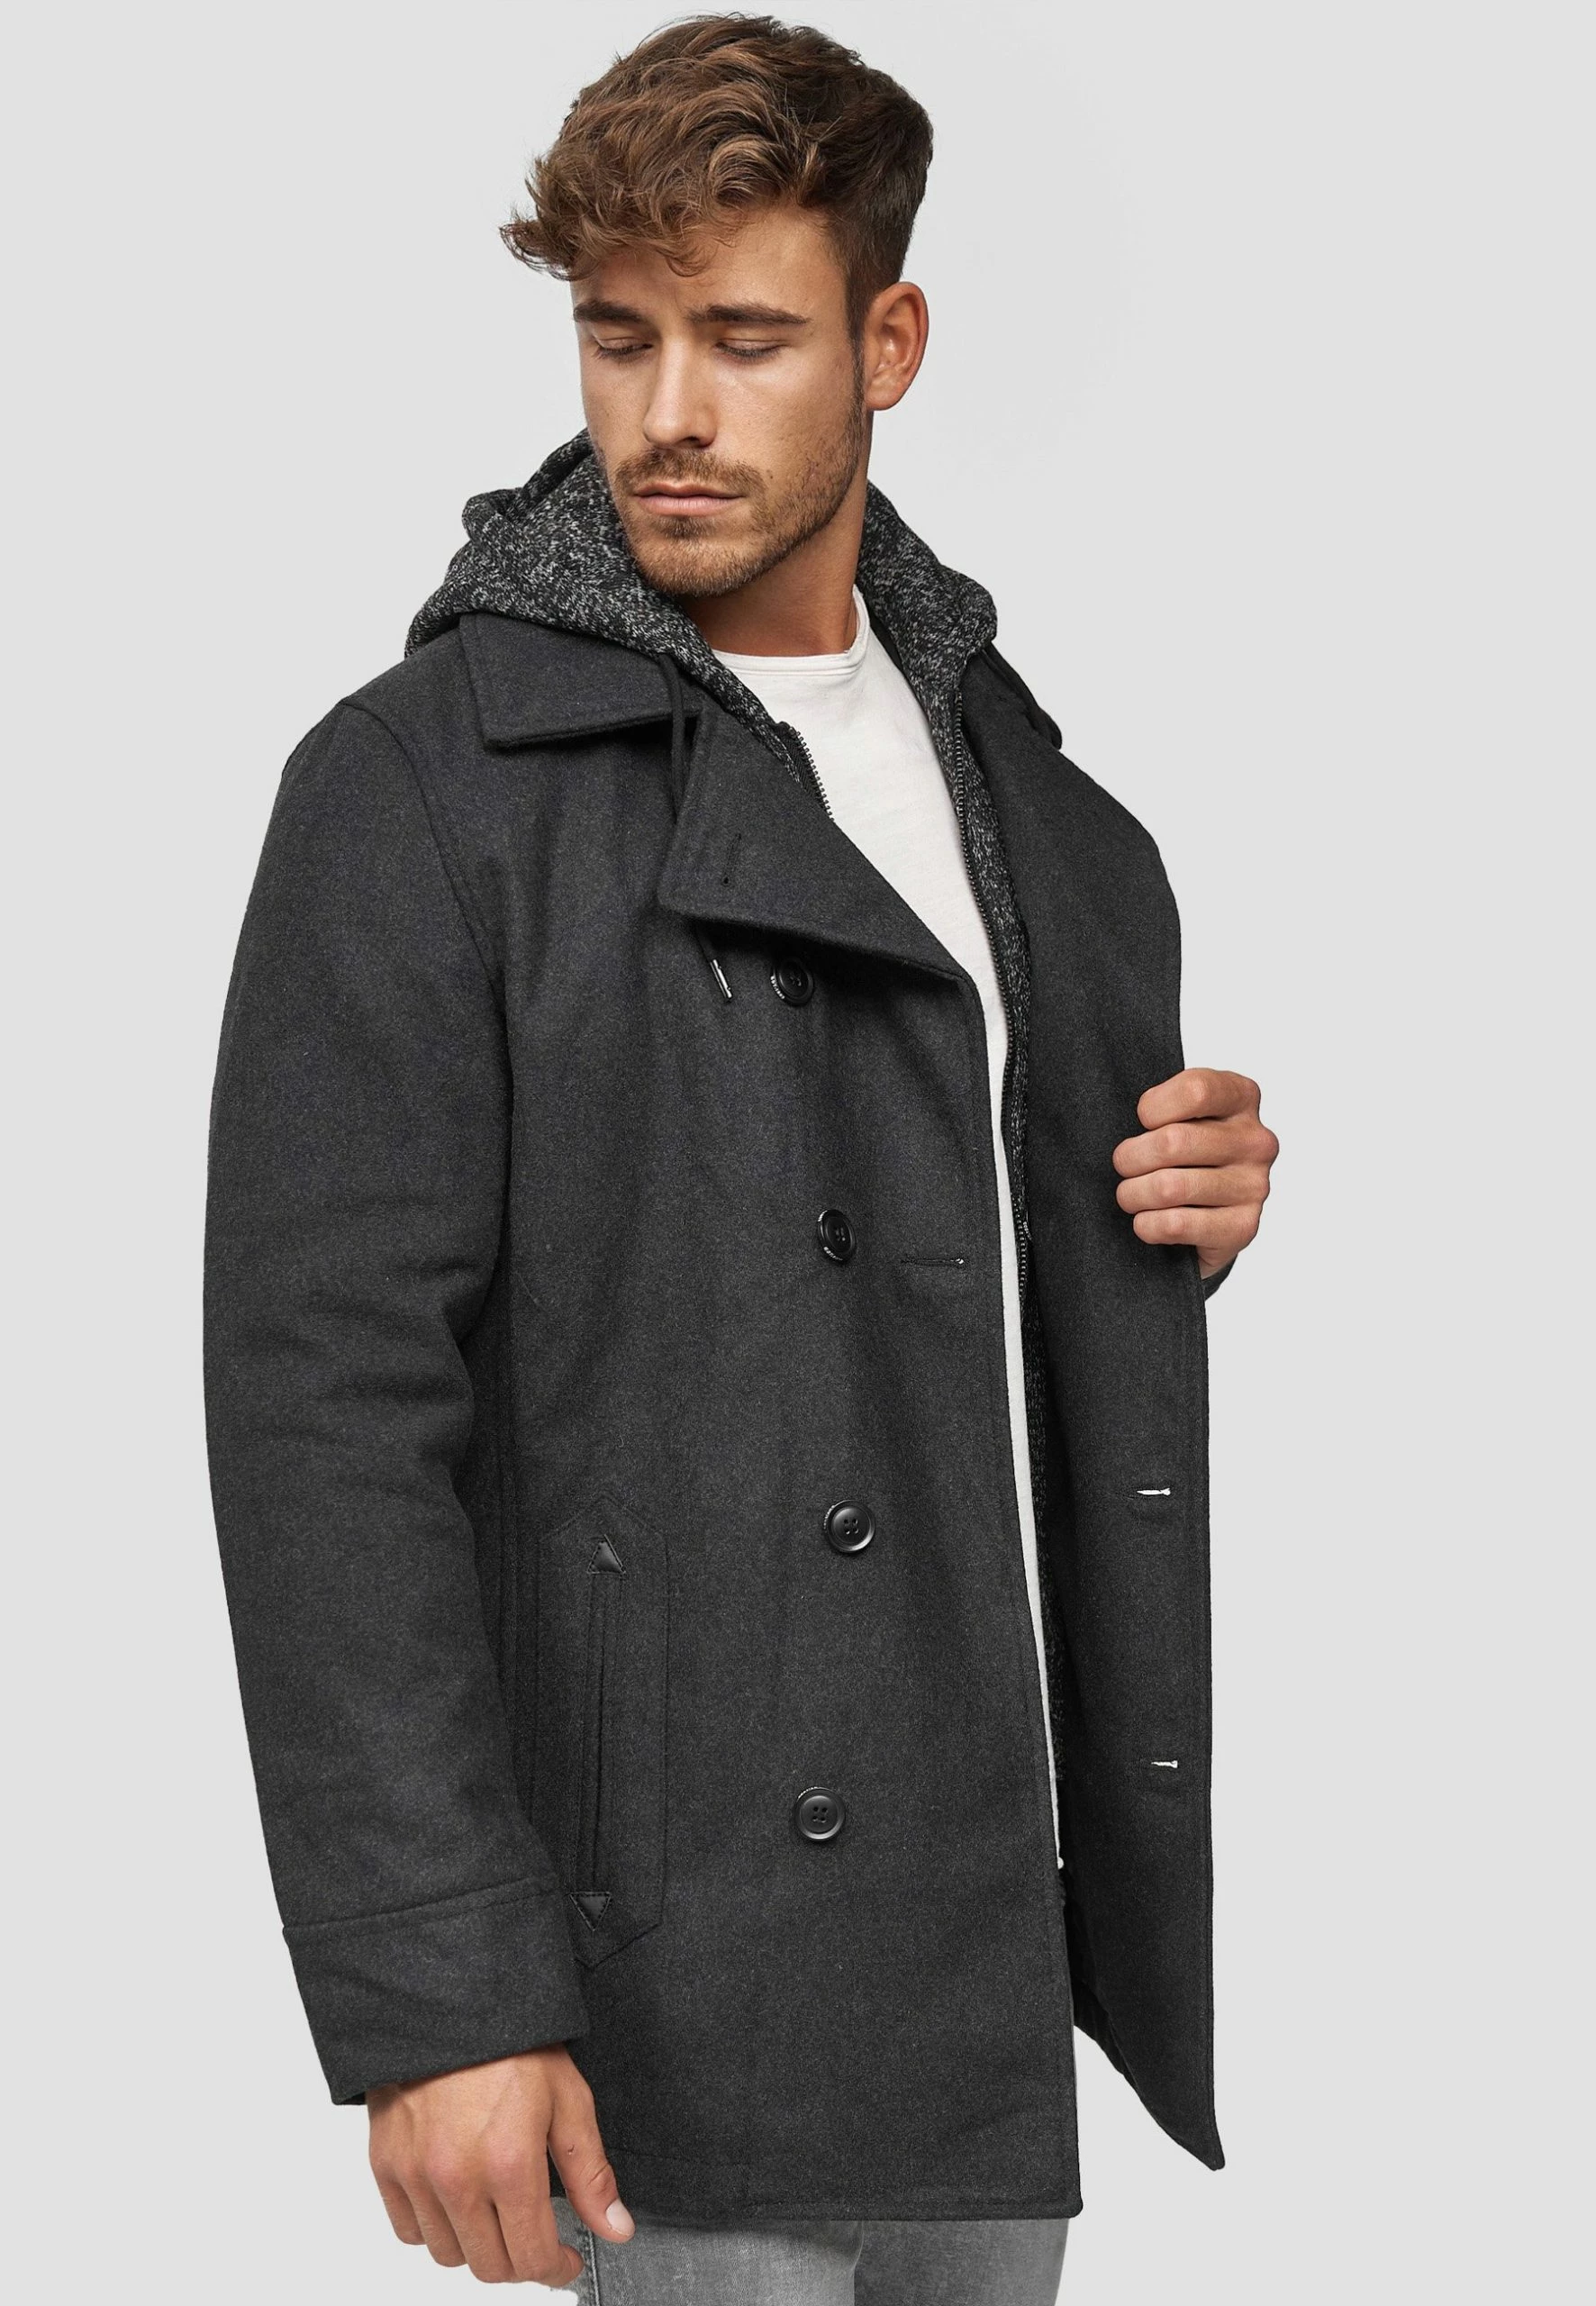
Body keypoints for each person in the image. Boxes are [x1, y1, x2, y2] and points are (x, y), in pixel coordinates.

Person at [204, 16, 1278, 2300]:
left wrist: (1166, 1207)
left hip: (981, 1947)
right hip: (656, 1974)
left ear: (888, 343)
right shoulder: (425, 786)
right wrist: (440, 1982)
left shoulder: (1041, 806)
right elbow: (322, 1415)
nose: (668, 412)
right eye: (620, 336)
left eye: (746, 337)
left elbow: (899, 1240)